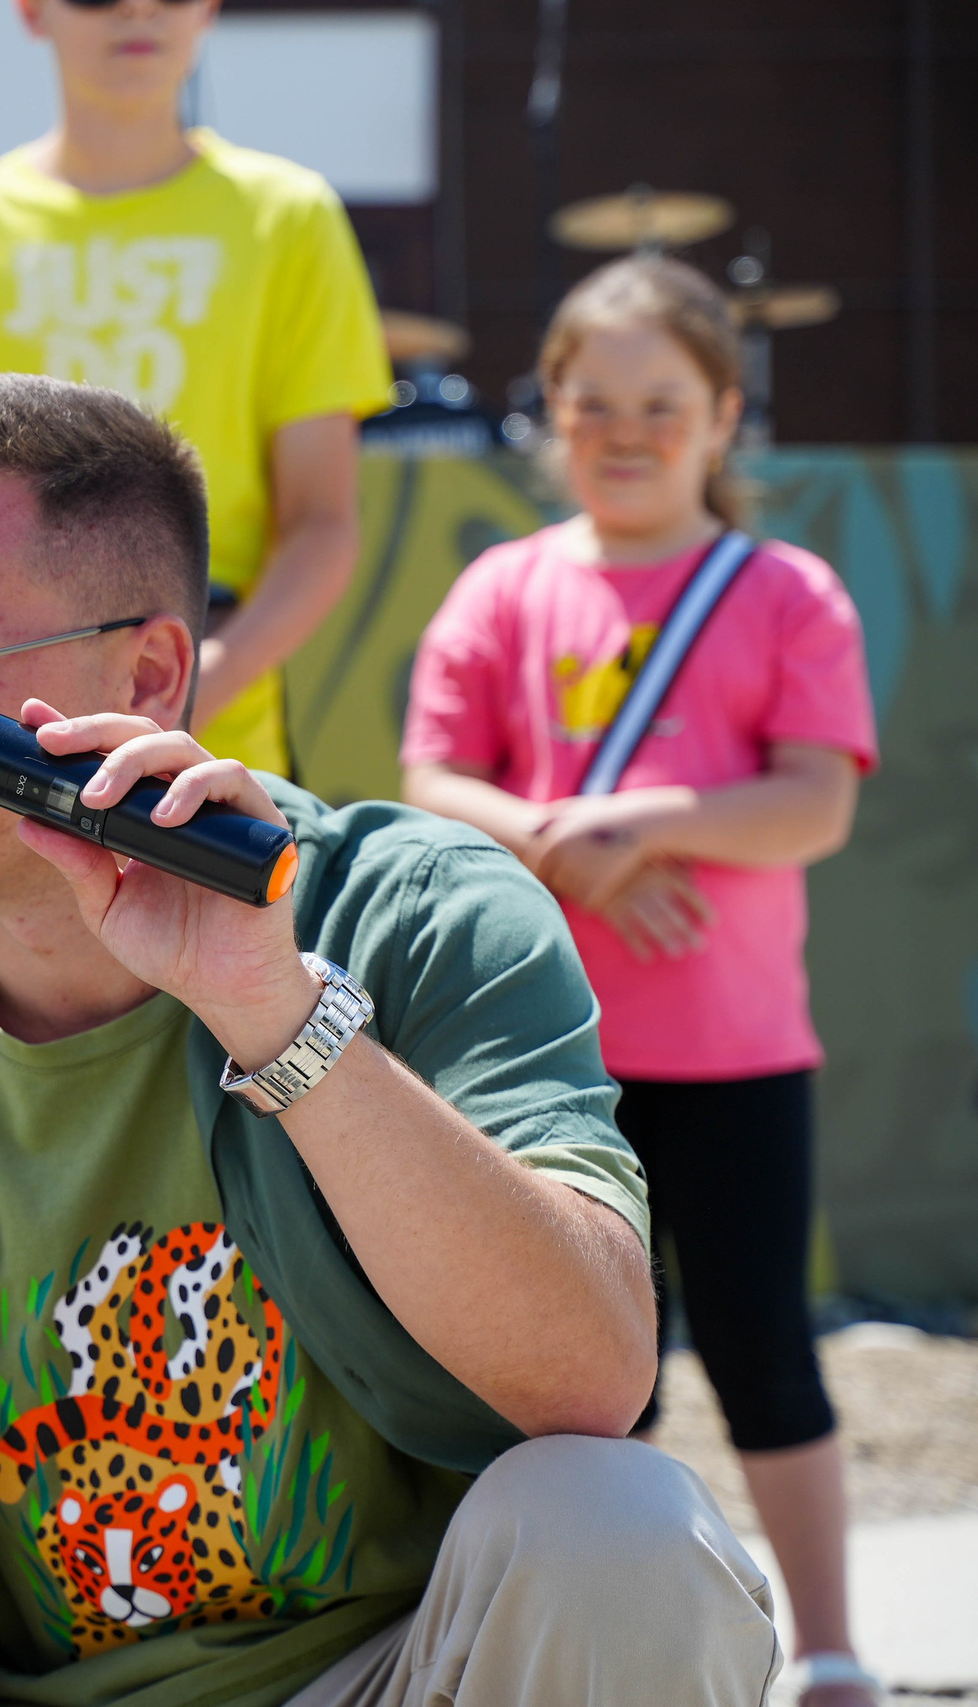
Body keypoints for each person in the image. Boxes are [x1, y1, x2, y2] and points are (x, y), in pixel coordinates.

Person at [0, 372, 784, 1707]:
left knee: (621, 1527)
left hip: (387, 1677)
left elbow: (591, 1374)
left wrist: (279, 1010)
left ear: (145, 672)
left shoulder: (422, 910)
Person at [401, 257, 879, 1707]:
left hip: (735, 1055)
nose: (624, 429)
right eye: (591, 401)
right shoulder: (503, 586)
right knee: (583, 1379)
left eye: (661, 403)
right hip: (546, 1062)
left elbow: (812, 803)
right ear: (550, 409)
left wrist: (633, 826)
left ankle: (836, 1647)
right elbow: (431, 777)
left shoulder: (788, 590)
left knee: (763, 1350)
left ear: (723, 414)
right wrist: (555, 835)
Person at [0, 0, 390, 781]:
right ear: (33, 11)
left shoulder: (288, 218)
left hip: (216, 735)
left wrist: (189, 686)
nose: (137, 9)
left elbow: (322, 523)